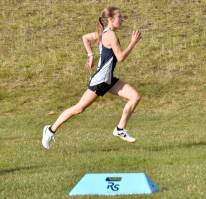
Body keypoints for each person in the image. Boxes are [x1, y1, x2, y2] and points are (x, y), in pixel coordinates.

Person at [42, 6, 142, 149]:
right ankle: (50, 130)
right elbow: (120, 57)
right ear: (111, 19)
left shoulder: (104, 33)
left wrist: (90, 55)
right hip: (100, 80)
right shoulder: (110, 35)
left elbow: (85, 38)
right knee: (79, 108)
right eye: (119, 17)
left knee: (135, 96)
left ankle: (120, 129)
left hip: (109, 80)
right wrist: (133, 42)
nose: (122, 20)